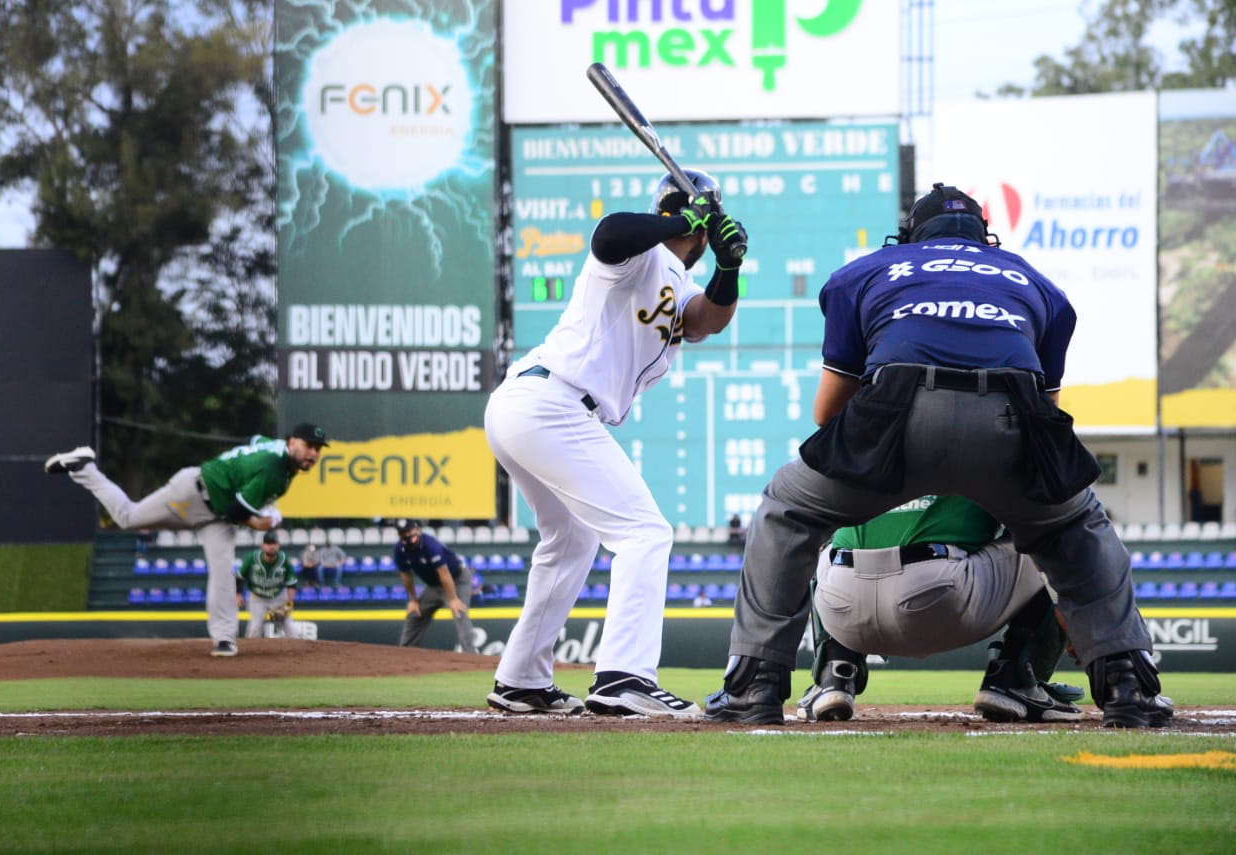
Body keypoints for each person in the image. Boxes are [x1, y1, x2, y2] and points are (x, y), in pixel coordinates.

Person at [703, 183, 1171, 729]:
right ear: (983, 236)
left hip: (894, 414)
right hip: (1010, 414)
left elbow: (827, 411)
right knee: (1076, 526)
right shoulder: (1034, 282)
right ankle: (1126, 685)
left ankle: (755, 684)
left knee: (789, 508)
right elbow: (1050, 418)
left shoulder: (869, 269)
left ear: (910, 234)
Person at [483, 169, 747, 717]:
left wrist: (729, 266)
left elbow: (707, 320)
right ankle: (624, 677)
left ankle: (521, 680)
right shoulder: (639, 253)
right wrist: (686, 219)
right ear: (692, 225)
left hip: (535, 407)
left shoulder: (680, 280)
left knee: (571, 543)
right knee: (645, 532)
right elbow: (609, 233)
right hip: (551, 402)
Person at [45, 422, 330, 657]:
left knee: (222, 572)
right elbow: (238, 511)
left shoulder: (273, 447)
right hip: (192, 494)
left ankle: (224, 639)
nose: (313, 454)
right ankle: (84, 468)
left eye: (317, 449)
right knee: (127, 518)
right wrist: (260, 522)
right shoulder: (275, 471)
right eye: (308, 446)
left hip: (216, 516)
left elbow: (252, 437)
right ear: (292, 442)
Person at [796, 495, 1083, 724]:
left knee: (826, 550)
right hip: (936, 597)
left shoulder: (865, 450)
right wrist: (1074, 610)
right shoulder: (985, 447)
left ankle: (834, 675)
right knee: (1039, 539)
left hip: (844, 608)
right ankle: (1015, 680)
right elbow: (1043, 529)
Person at [392, 520, 477, 652]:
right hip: (434, 586)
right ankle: (404, 652)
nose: (407, 535)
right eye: (403, 533)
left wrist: (453, 599)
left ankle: (471, 654)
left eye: (409, 531)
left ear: (417, 530)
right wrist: (414, 600)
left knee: (459, 611)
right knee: (415, 613)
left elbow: (444, 574)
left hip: (457, 579)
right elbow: (406, 576)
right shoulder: (400, 549)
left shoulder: (429, 545)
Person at [236, 530, 300, 640]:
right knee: (255, 628)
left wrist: (289, 603)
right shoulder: (252, 558)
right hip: (257, 597)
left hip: (278, 597)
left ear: (278, 545)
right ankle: (251, 654)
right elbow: (240, 577)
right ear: (263, 546)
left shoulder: (284, 560)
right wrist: (238, 594)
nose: (271, 547)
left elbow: (292, 584)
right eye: (268, 544)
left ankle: (299, 653)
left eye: (274, 544)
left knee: (289, 627)